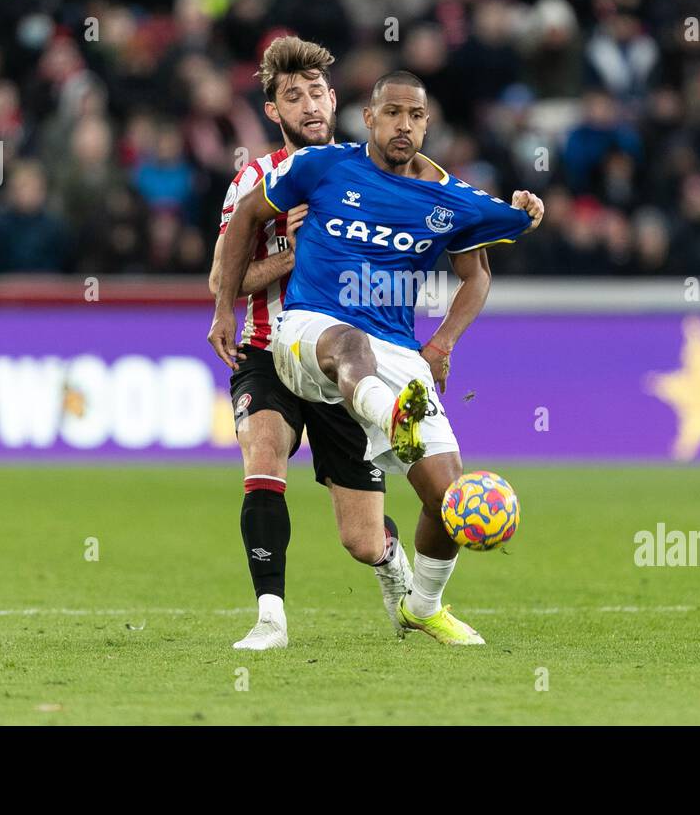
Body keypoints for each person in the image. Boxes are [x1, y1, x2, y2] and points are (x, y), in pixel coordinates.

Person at [210, 70, 544, 645]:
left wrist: (442, 342)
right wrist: (223, 310)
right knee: (304, 399)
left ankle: (422, 604)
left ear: (427, 123)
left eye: (415, 116)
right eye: (392, 113)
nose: (403, 125)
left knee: (442, 501)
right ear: (368, 117)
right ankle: (270, 617)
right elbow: (243, 223)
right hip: (299, 334)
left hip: (395, 355)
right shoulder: (316, 167)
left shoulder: (450, 198)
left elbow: (480, 270)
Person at [207, 36, 408, 651]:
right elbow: (223, 280)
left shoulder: (368, 175)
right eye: (293, 97)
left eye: (317, 93)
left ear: (334, 98)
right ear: (274, 111)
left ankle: (391, 559)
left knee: (361, 541)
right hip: (266, 350)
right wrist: (292, 253)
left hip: (337, 359)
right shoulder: (254, 181)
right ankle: (270, 617)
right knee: (263, 453)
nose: (310, 105)